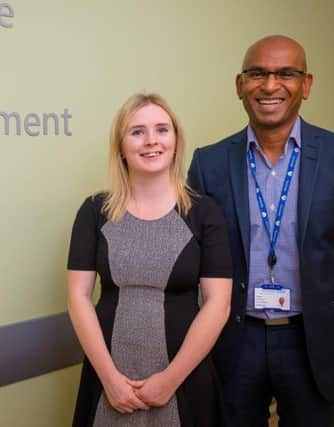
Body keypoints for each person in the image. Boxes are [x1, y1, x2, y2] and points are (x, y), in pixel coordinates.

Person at [187, 35, 334, 427]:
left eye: (286, 73)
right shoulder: (208, 163)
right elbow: (200, 257)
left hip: (313, 339)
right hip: (235, 340)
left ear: (305, 85)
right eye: (257, 73)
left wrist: (327, 304)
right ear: (240, 85)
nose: (270, 85)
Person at [67, 93, 232, 426]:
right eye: (137, 131)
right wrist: (110, 379)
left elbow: (219, 304)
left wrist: (170, 379)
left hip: (184, 378)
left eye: (162, 129)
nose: (152, 141)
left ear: (175, 140)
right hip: (109, 376)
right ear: (120, 146)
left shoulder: (204, 213)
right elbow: (78, 297)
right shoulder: (94, 211)